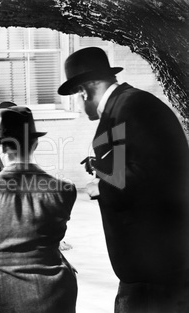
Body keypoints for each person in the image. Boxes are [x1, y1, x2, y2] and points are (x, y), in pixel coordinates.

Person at [58, 46, 189, 312]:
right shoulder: (125, 105)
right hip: (146, 267)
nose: (80, 105)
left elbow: (148, 180)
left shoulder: (131, 107)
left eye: (77, 97)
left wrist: (99, 189)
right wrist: (100, 167)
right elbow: (134, 164)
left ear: (85, 90)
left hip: (155, 270)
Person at [0, 106, 78, 313]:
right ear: (35, 144)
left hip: (6, 298)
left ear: (0, 148)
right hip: (57, 296)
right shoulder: (66, 189)